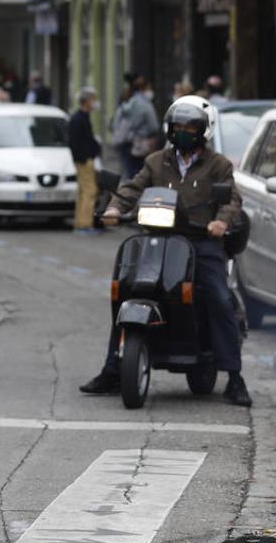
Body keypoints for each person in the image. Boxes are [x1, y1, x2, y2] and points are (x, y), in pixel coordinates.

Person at [79, 96, 252, 407]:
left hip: (200, 241)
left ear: (204, 130)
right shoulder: (156, 161)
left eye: (191, 127)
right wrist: (115, 208)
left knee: (218, 297)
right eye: (178, 126)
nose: (183, 131)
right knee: (125, 291)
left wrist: (220, 222)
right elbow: (133, 187)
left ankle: (235, 378)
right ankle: (113, 369)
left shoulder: (218, 165)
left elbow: (231, 200)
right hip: (157, 238)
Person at [69, 88, 103, 236]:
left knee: (83, 191)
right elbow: (76, 141)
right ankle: (85, 224)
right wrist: (84, 157)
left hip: (84, 159)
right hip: (84, 160)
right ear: (87, 101)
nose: (95, 102)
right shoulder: (79, 118)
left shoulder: (82, 117)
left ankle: (80, 222)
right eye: (93, 99)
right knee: (90, 191)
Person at [113, 76, 158, 178]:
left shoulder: (130, 102)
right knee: (139, 173)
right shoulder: (144, 104)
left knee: (130, 172)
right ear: (144, 88)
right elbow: (153, 126)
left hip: (128, 141)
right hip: (140, 144)